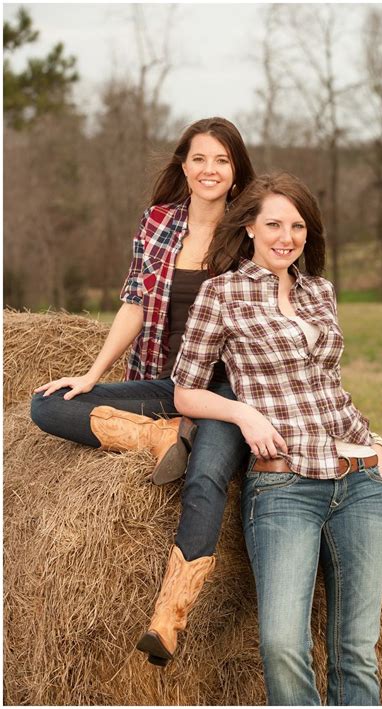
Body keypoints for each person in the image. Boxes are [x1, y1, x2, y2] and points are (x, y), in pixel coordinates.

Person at [30, 117, 255, 663]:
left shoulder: (247, 231)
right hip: (167, 385)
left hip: (225, 394)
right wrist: (90, 374)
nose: (209, 170)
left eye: (221, 160)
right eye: (200, 158)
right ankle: (159, 438)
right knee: (46, 405)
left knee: (205, 476)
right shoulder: (158, 224)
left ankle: (168, 617)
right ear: (183, 165)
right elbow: (134, 303)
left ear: (235, 171)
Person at [169, 172, 382, 705]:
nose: (286, 236)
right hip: (284, 486)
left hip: (358, 480)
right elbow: (185, 391)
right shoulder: (221, 295)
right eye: (273, 223)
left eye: (297, 226)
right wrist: (244, 413)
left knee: (357, 650)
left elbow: (328, 386)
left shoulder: (321, 292)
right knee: (282, 643)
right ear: (248, 227)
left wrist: (376, 446)